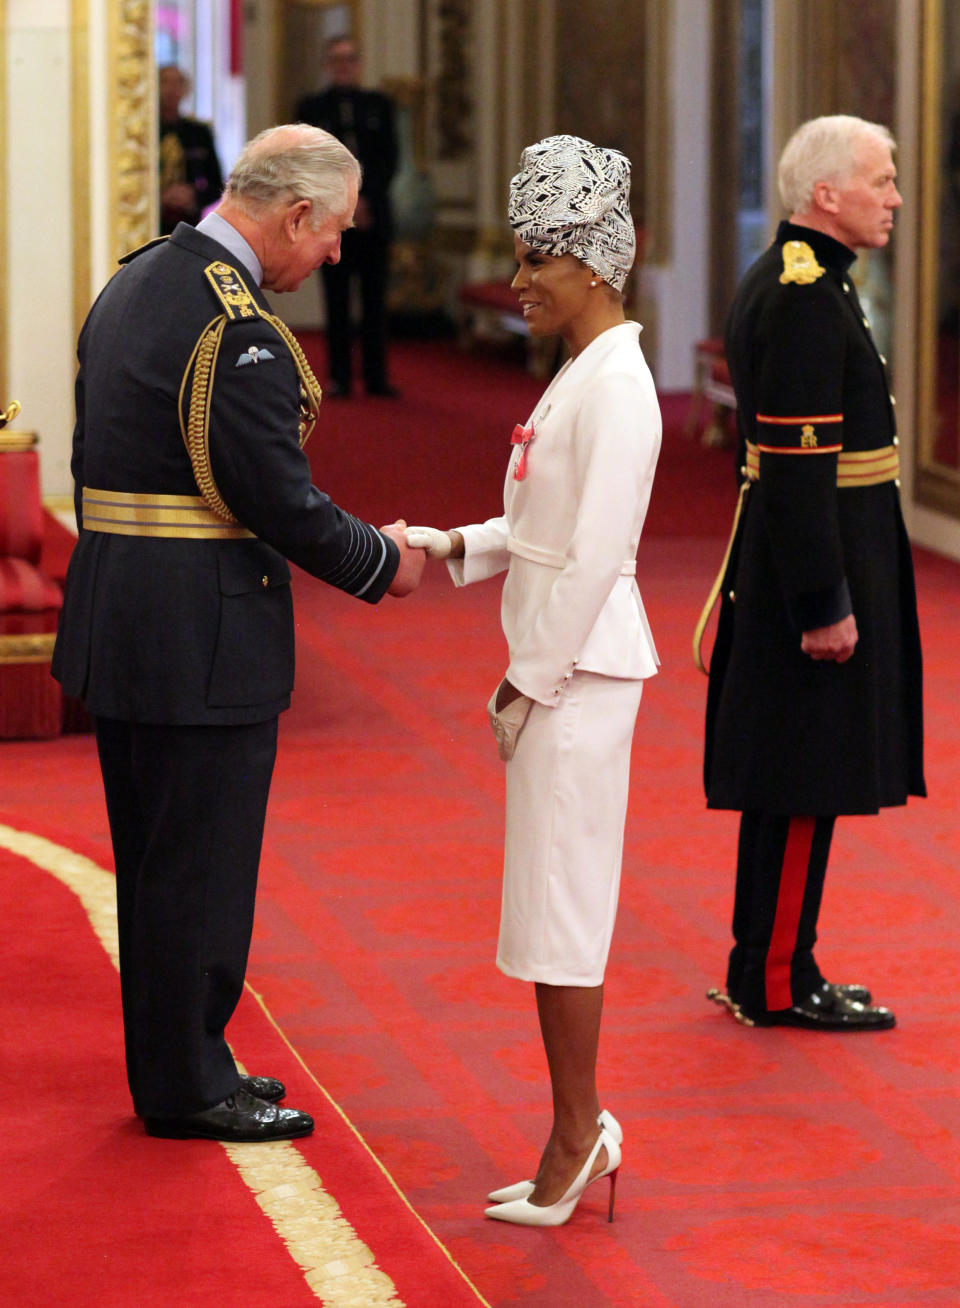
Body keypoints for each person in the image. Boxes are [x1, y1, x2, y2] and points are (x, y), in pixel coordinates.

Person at [51, 124, 425, 1142]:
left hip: (125, 610)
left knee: (161, 859)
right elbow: (280, 499)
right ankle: (187, 1085)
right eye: (335, 232)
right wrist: (382, 563)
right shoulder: (239, 324)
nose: (336, 255)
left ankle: (187, 1060)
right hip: (197, 631)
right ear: (295, 214)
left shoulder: (139, 279)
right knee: (199, 865)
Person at [407, 135, 661, 1226]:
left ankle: (579, 1133)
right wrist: (452, 542)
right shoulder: (580, 373)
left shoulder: (623, 389)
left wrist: (527, 682)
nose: (516, 283)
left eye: (533, 264)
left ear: (591, 266)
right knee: (548, 910)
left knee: (564, 913)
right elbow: (546, 529)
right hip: (566, 665)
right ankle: (574, 1125)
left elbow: (599, 553)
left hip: (581, 673)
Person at [700, 114, 925, 1032]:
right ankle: (779, 982)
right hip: (817, 563)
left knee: (799, 777)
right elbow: (797, 473)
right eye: (882, 180)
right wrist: (826, 604)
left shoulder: (812, 281)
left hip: (822, 550)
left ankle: (773, 962)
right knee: (804, 778)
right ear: (826, 194)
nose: (897, 198)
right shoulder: (800, 295)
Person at [296, 36, 399, 397]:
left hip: (373, 217)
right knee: (337, 300)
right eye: (336, 59)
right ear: (327, 64)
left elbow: (390, 159)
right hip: (330, 219)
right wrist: (343, 204)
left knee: (374, 300)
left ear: (359, 64)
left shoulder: (380, 105)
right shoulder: (311, 108)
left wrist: (365, 200)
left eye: (350, 59)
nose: (343, 65)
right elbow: (310, 164)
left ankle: (376, 377)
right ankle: (339, 377)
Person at [158, 65, 224, 235]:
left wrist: (192, 195)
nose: (171, 90)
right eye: (164, 82)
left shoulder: (199, 132)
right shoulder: (142, 133)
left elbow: (217, 184)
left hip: (188, 221)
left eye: (177, 83)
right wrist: (161, 197)